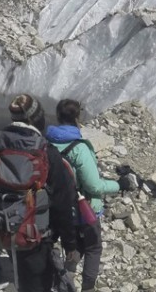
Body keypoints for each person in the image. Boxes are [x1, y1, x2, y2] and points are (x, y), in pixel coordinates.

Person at [0, 94, 79, 292]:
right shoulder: (46, 152)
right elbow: (63, 202)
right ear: (36, 118)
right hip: (37, 236)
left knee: (22, 276)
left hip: (3, 227)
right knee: (38, 284)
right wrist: (70, 243)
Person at [46, 99, 122, 291]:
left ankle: (66, 279)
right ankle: (87, 288)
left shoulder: (46, 144)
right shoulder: (79, 148)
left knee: (72, 245)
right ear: (77, 117)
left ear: (58, 116)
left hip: (58, 210)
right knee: (93, 248)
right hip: (84, 209)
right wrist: (118, 185)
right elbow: (94, 186)